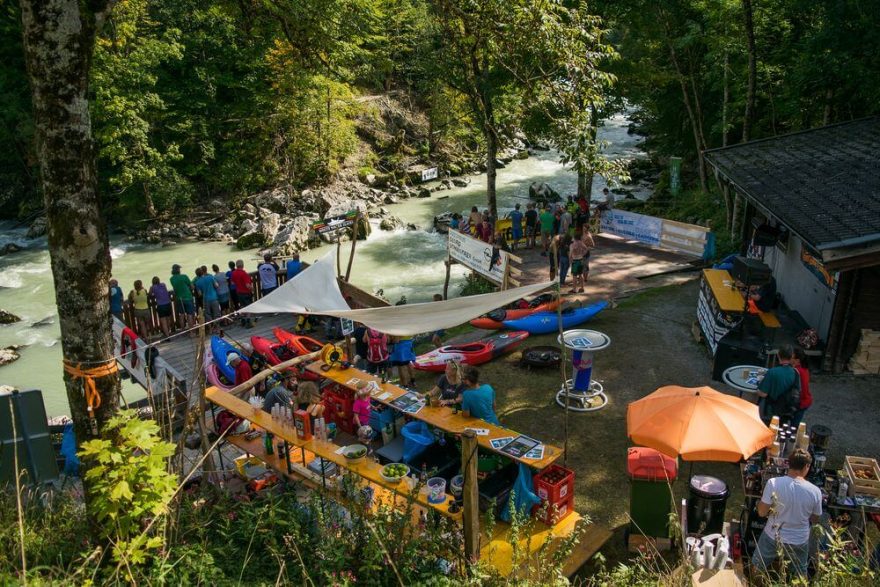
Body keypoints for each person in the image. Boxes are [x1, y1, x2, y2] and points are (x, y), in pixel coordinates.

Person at [751, 449, 821, 580]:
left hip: (773, 535)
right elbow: (815, 519)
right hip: (799, 539)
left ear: (789, 463)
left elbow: (761, 512)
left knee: (757, 566)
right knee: (800, 574)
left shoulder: (774, 483)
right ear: (807, 466)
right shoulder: (815, 491)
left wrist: (760, 505)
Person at [756, 345, 800, 424]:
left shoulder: (773, 372)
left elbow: (763, 394)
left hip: (772, 411)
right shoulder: (795, 372)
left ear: (778, 355)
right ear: (792, 356)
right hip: (786, 411)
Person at [790, 348, 813, 428]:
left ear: (797, 360)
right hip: (805, 400)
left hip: (801, 402)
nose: (790, 358)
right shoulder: (804, 368)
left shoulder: (796, 371)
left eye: (792, 357)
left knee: (794, 426)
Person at [170, 264, 195, 330]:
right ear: (178, 270)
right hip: (187, 297)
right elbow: (192, 286)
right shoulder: (184, 276)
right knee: (189, 315)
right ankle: (191, 331)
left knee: (181, 315)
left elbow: (175, 288)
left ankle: (183, 330)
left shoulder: (171, 279)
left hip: (179, 298)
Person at [229, 259, 254, 328]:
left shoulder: (233, 273)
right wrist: (252, 289)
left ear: (236, 266)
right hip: (246, 293)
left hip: (239, 293)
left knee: (242, 307)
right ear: (242, 265)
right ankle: (248, 322)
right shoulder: (244, 274)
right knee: (248, 307)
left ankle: (243, 321)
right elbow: (247, 285)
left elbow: (232, 283)